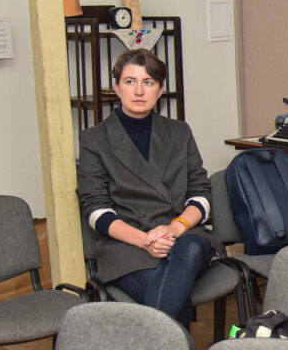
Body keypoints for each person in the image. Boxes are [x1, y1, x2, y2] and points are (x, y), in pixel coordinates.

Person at [78, 48, 217, 323]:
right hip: (128, 245)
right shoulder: (94, 140)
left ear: (160, 89)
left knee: (189, 250)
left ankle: (151, 347)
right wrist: (146, 241)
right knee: (174, 295)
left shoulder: (179, 132)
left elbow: (201, 193)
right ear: (117, 88)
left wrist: (174, 228)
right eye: (130, 81)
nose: (139, 91)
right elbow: (95, 210)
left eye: (148, 82)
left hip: (183, 235)